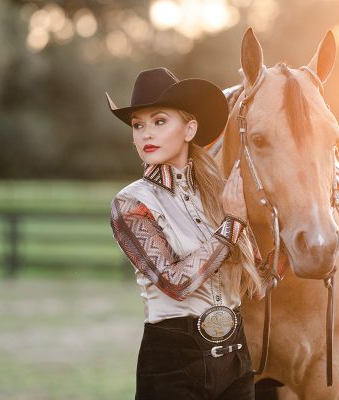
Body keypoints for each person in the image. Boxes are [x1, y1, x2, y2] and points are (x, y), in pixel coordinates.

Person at [106, 67, 280, 399]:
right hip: (172, 360)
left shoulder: (218, 195)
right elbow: (175, 283)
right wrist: (231, 227)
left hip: (235, 357)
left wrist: (282, 239)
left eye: (159, 122)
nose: (146, 134)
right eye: (138, 125)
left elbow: (258, 284)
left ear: (190, 129)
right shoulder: (130, 203)